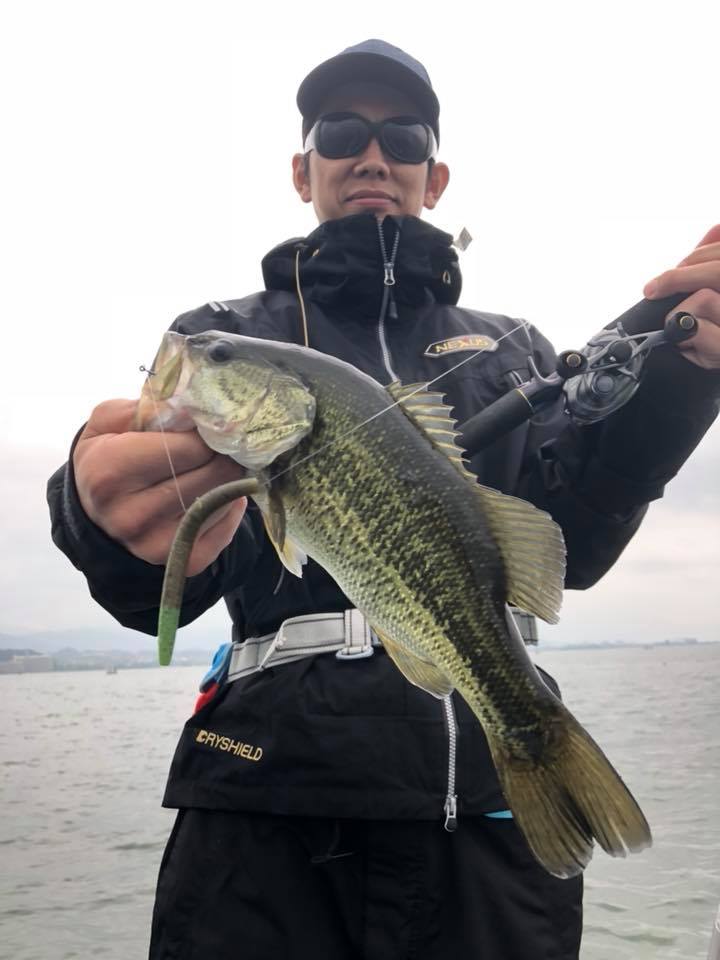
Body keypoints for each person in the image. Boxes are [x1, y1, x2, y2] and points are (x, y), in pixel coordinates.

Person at [47, 39, 720, 960]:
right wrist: (97, 520)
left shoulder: (511, 347)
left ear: (434, 177)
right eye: (340, 133)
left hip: (484, 816)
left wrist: (683, 379)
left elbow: (574, 543)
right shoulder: (226, 332)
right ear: (302, 170)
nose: (372, 155)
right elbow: (166, 583)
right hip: (267, 810)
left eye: (402, 137)